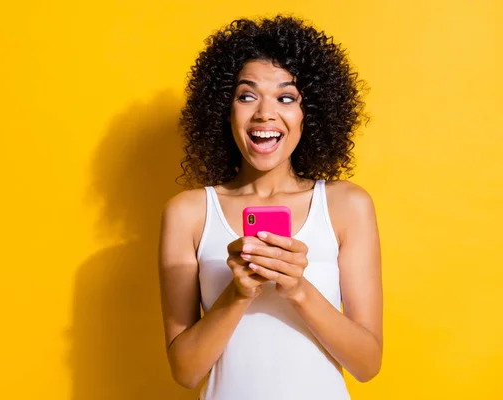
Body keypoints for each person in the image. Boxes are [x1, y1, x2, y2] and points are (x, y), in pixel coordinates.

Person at [158, 15, 382, 399]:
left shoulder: (347, 206)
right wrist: (237, 294)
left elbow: (367, 364)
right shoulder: (188, 214)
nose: (264, 113)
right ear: (224, 110)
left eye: (286, 97)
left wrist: (297, 289)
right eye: (247, 96)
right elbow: (185, 370)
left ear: (308, 113)